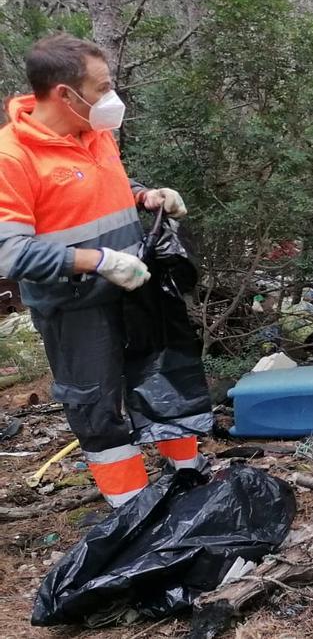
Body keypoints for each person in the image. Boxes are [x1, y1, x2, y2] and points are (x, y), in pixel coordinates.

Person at [0, 34, 206, 507]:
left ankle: (190, 477)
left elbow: (102, 186)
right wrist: (98, 262)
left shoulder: (93, 130)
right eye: (102, 86)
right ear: (63, 94)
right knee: (96, 404)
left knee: (162, 373)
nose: (112, 97)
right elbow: (9, 254)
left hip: (133, 290)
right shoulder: (13, 157)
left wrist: (143, 195)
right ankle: (133, 508)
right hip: (75, 307)